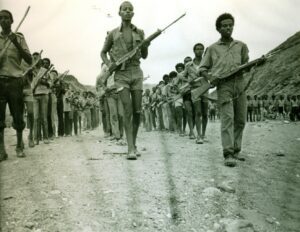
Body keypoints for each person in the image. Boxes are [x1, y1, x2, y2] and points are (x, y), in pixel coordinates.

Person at [100, 1, 150, 159]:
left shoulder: (140, 32)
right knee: (127, 111)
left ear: (133, 14)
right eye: (125, 9)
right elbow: (103, 52)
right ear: (119, 12)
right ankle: (130, 148)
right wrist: (110, 65)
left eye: (130, 10)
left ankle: (133, 144)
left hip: (136, 72)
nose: (128, 12)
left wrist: (145, 45)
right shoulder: (113, 34)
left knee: (137, 112)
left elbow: (145, 55)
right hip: (121, 75)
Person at [200, 13, 249, 167]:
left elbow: (246, 63)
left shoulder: (241, 45)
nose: (228, 28)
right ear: (219, 29)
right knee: (228, 119)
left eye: (230, 25)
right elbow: (202, 68)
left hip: (240, 84)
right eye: (224, 26)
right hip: (224, 86)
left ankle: (236, 150)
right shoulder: (212, 48)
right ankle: (228, 153)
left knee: (240, 119)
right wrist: (210, 78)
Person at [0, 10, 32, 161]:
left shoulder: (19, 38)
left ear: (12, 21)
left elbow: (29, 59)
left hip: (15, 81)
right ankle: (1, 150)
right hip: (0, 81)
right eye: (1, 18)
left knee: (18, 115)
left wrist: (15, 43)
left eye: (6, 18)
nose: (4, 21)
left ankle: (19, 146)